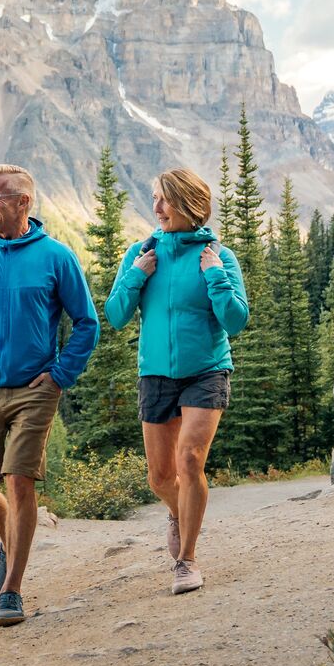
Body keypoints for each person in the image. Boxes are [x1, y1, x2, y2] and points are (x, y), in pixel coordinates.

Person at [0, 163, 98, 627]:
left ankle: (11, 591)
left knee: (19, 480)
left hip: (35, 390)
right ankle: (10, 537)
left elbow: (86, 323)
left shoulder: (56, 257)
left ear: (22, 202)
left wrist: (59, 375)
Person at [104, 168, 248, 595]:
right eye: (154, 198)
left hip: (206, 370)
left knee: (190, 460)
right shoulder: (141, 253)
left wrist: (215, 275)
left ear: (190, 205)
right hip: (155, 374)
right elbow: (115, 315)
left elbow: (236, 320)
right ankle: (177, 511)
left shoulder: (218, 255)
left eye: (165, 199)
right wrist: (137, 274)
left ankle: (186, 560)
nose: (157, 207)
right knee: (160, 477)